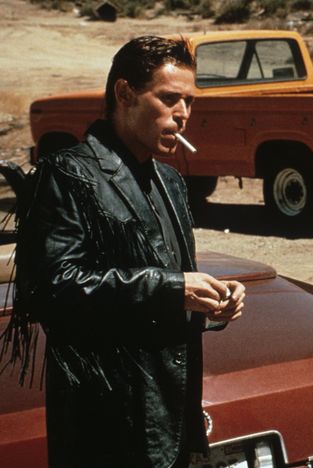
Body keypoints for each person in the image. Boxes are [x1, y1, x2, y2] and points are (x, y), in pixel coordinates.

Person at [5, 36, 245, 467]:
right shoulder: (67, 174)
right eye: (169, 99)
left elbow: (170, 286)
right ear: (124, 94)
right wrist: (171, 288)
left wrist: (212, 302)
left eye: (190, 101)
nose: (183, 114)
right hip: (108, 427)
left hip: (174, 421)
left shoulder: (170, 182)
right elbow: (48, 288)